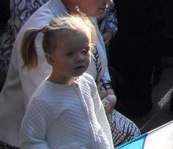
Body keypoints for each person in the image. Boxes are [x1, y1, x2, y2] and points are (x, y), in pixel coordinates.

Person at [0, 0, 140, 147]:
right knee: (130, 136)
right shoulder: (46, 32)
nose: (109, 0)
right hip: (43, 130)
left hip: (83, 105)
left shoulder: (82, 11)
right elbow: (51, 105)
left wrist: (107, 90)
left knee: (132, 134)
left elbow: (99, 59)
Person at [18, 14, 114, 148]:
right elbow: (30, 140)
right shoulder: (43, 99)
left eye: (84, 50)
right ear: (51, 59)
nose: (80, 58)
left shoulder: (88, 82)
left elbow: (100, 120)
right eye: (70, 53)